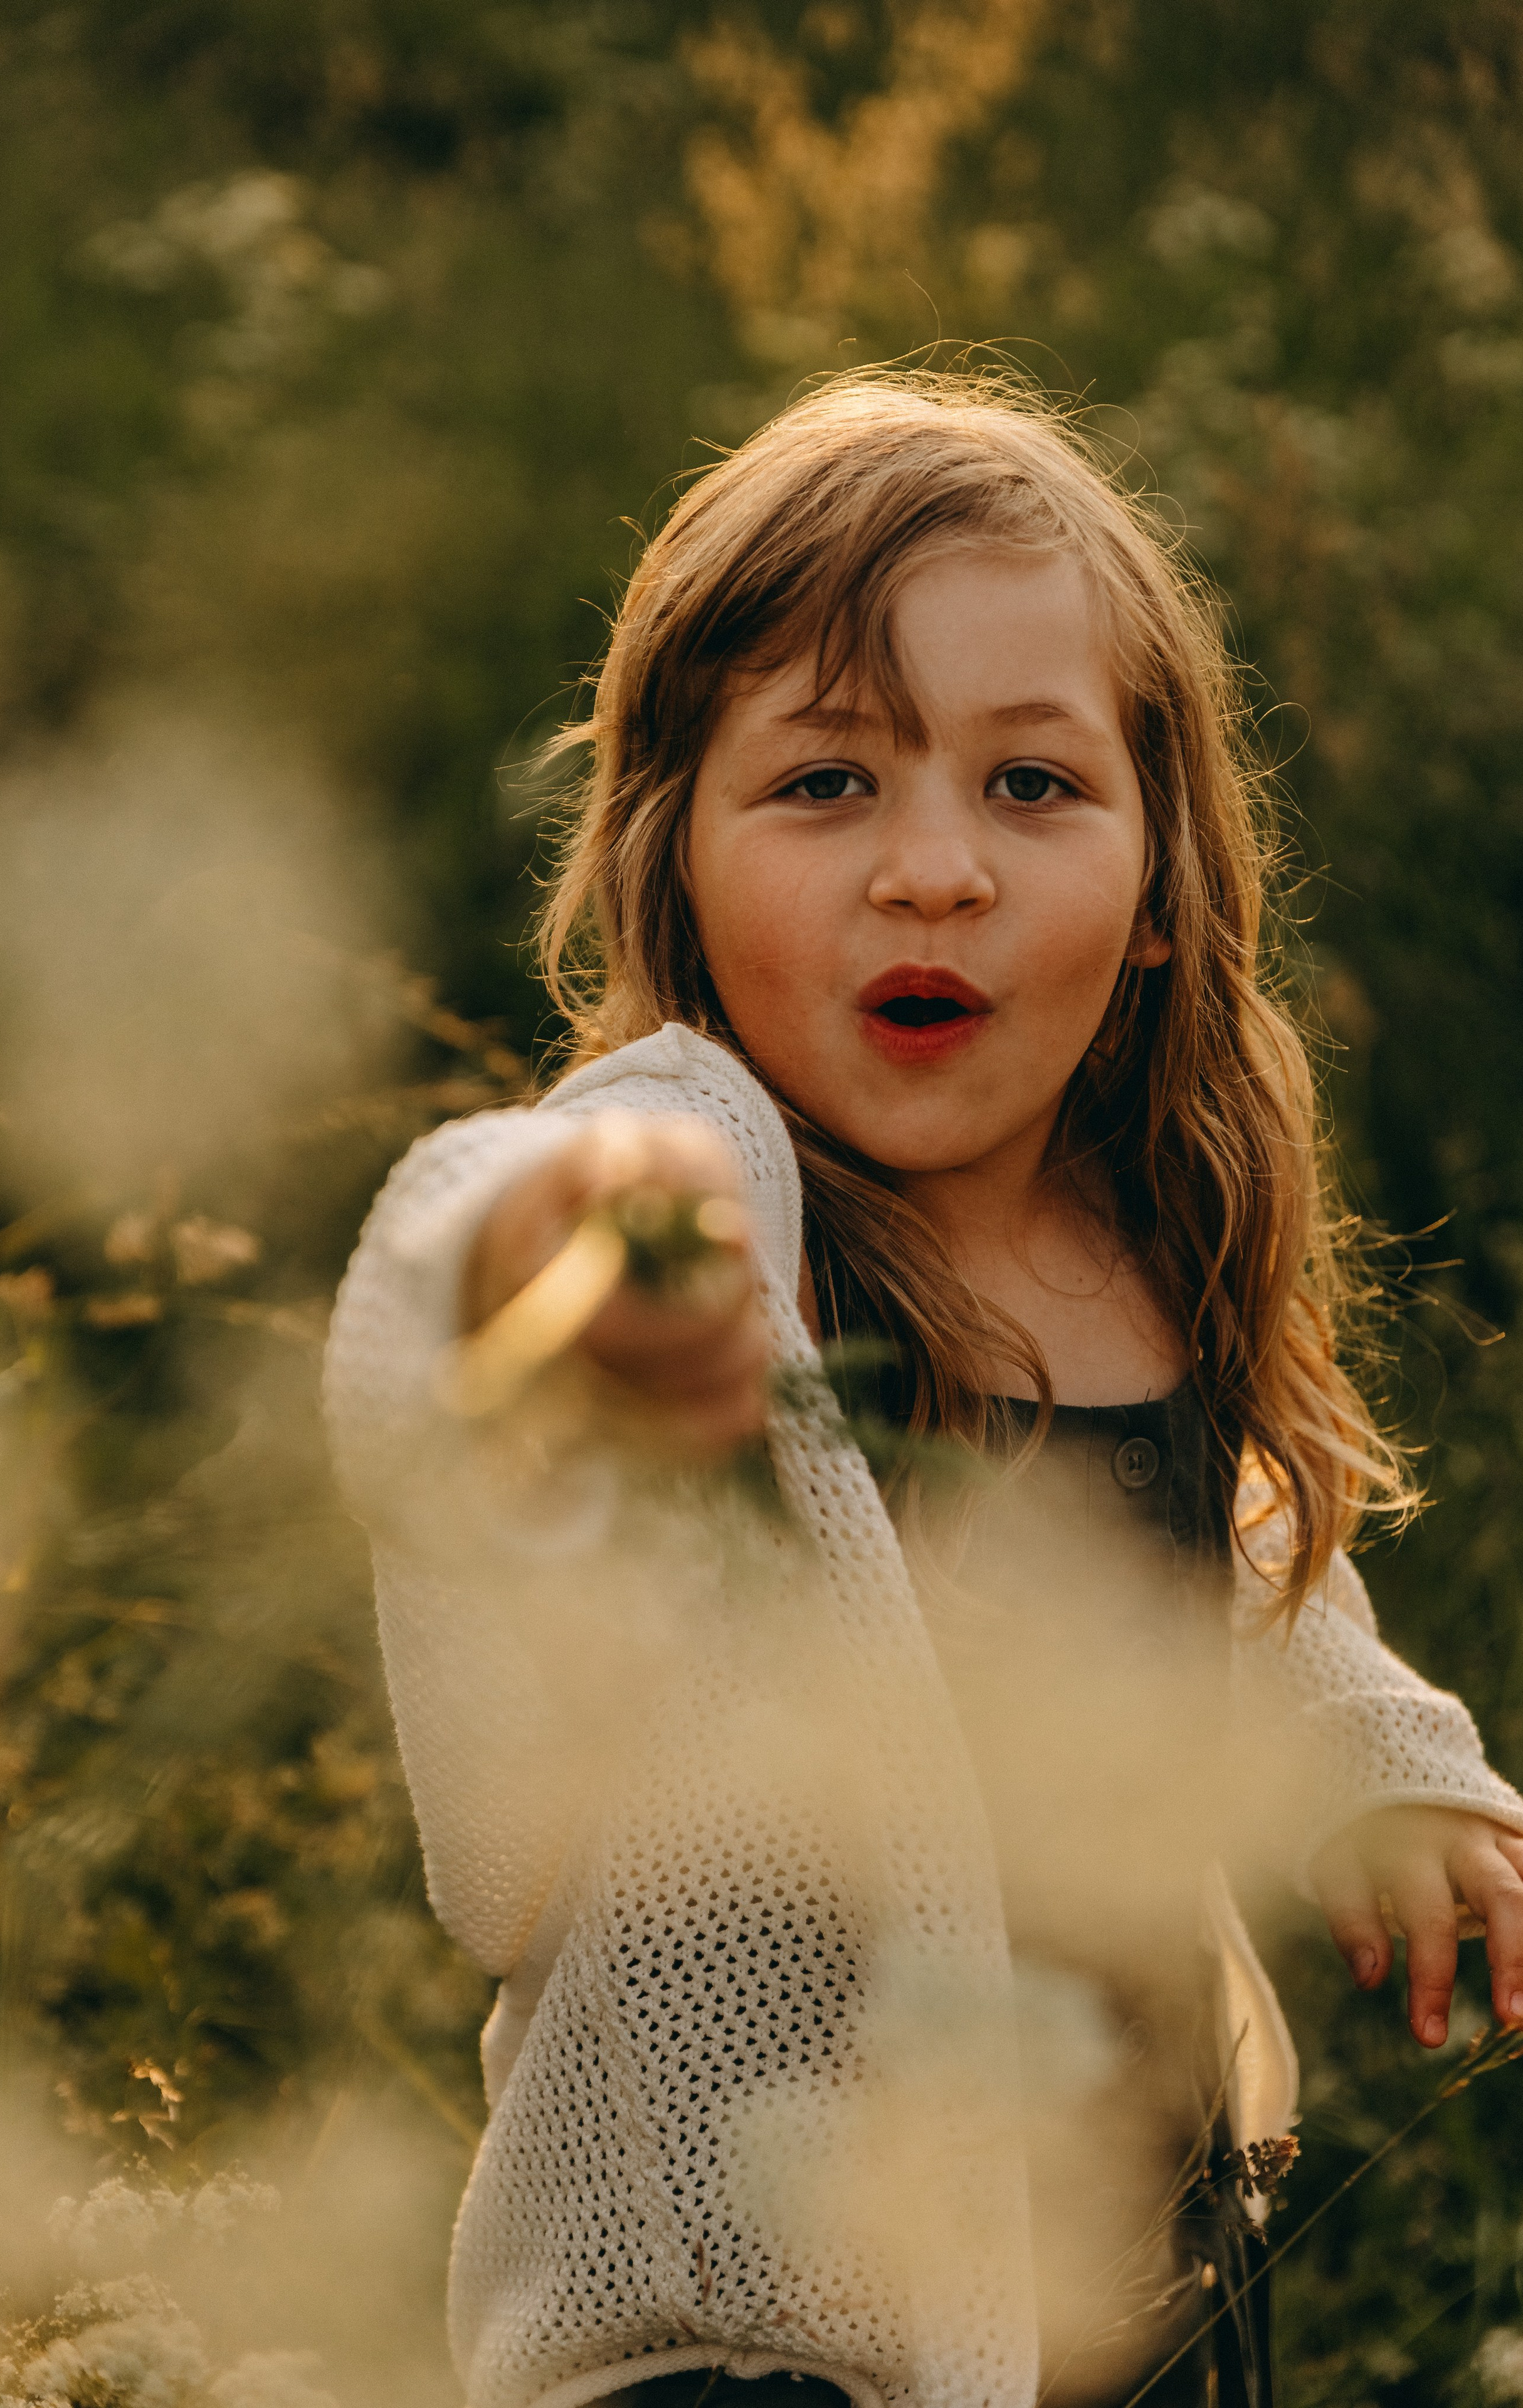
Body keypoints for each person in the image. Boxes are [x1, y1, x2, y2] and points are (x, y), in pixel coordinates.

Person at [324, 374, 1523, 2408]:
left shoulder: (1141, 1234)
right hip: (753, 2343)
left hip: (1139, 2299)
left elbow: (1230, 1564)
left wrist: (1378, 1754)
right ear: (673, 863)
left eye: (1033, 787)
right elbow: (472, 1260)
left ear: (1159, 894)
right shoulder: (709, 1191)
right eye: (825, 785)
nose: (935, 870)